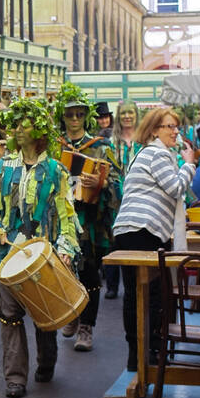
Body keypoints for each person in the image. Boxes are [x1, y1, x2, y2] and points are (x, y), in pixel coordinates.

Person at [0, 96, 80, 398]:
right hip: (8, 256)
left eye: (22, 124)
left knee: (45, 312)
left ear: (38, 130)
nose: (15, 129)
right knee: (9, 315)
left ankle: (46, 363)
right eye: (13, 124)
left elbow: (66, 213)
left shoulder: (55, 171)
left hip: (44, 255)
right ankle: (15, 378)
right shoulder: (1, 167)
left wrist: (66, 247)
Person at [111, 107, 198, 372]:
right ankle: (149, 353)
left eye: (176, 127)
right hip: (144, 229)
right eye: (169, 127)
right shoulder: (158, 153)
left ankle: (137, 355)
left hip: (128, 228)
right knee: (153, 294)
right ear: (153, 130)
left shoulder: (144, 153)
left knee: (135, 294)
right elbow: (175, 187)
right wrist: (190, 163)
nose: (176, 132)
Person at [56, 82, 121, 352]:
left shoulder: (101, 146)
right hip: (59, 219)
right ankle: (71, 313)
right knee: (63, 271)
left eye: (79, 114)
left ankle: (87, 326)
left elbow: (118, 182)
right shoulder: (52, 146)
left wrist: (102, 183)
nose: (74, 119)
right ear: (62, 117)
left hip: (89, 221)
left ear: (86, 117)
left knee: (90, 273)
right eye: (69, 114)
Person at [104, 101, 141, 299]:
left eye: (130, 113)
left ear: (136, 115)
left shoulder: (144, 140)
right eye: (123, 113)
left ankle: (134, 282)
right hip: (115, 199)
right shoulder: (112, 141)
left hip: (138, 198)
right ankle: (111, 285)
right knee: (114, 240)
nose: (127, 116)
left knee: (134, 238)